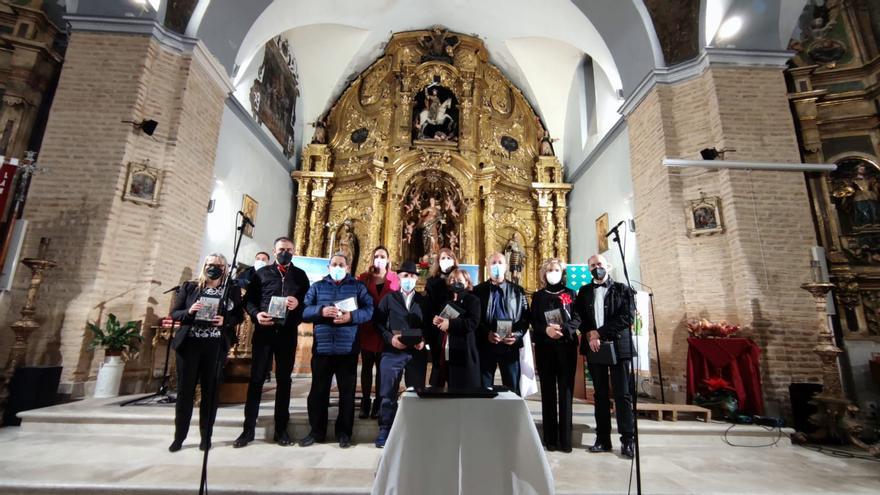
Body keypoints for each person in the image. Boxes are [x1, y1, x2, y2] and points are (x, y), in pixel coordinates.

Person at [234, 237, 310, 448]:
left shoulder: (300, 276)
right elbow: (248, 301)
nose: (285, 252)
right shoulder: (262, 274)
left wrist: (298, 305)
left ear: (294, 251)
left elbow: (308, 303)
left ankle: (281, 429)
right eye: (281, 249)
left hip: (287, 333)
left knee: (284, 380)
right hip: (264, 332)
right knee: (257, 379)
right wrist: (257, 314)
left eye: (289, 249)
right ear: (274, 251)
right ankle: (248, 429)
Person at [168, 253, 243, 452]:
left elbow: (238, 316)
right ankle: (179, 437)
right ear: (204, 266)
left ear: (225, 268)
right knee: (185, 392)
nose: (214, 268)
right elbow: (175, 313)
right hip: (189, 345)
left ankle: (206, 437)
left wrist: (225, 321)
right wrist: (190, 311)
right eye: (211, 264)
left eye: (219, 265)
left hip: (215, 346)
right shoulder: (190, 287)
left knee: (211, 393)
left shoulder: (230, 290)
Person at [301, 253, 374, 448]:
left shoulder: (358, 287)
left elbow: (369, 310)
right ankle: (316, 431)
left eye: (341, 264)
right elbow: (304, 310)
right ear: (328, 267)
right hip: (323, 348)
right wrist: (321, 311)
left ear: (348, 267)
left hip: (347, 349)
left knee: (347, 393)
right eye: (334, 264)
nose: (337, 267)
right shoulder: (317, 287)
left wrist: (351, 317)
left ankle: (344, 433)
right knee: (318, 392)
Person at [574, 254, 635, 458]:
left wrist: (599, 333)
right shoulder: (583, 291)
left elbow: (627, 317)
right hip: (594, 347)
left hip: (618, 347)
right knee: (599, 395)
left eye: (599, 264)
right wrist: (590, 333)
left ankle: (627, 440)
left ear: (606, 266)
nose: (596, 268)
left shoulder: (622, 289)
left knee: (622, 394)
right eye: (592, 265)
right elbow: (579, 317)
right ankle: (603, 439)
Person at [374, 261, 429, 448]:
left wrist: (424, 340)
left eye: (412, 276)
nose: (409, 279)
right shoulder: (389, 299)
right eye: (405, 276)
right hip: (392, 352)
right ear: (399, 277)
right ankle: (385, 429)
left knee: (416, 393)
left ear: (417, 279)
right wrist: (390, 338)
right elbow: (378, 323)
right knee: (387, 392)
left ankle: (414, 429)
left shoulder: (424, 300)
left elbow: (430, 325)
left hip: (416, 354)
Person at [530, 258, 581, 453]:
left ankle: (565, 439)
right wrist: (546, 330)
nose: (553, 272)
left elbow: (577, 318)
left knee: (566, 392)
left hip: (566, 347)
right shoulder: (538, 296)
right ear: (544, 273)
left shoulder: (570, 293)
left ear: (562, 272)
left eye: (556, 269)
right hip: (545, 348)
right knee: (548, 392)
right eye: (550, 269)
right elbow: (534, 320)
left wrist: (566, 329)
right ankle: (550, 438)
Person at [474, 252, 530, 394]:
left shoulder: (518, 291)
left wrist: (516, 335)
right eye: (493, 263)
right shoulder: (477, 291)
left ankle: (511, 416)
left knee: (512, 390)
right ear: (487, 266)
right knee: (483, 389)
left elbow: (525, 318)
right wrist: (486, 334)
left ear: (505, 266)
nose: (496, 266)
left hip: (509, 346)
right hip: (486, 346)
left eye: (500, 262)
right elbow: (474, 319)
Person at [357, 246, 400, 418]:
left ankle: (378, 402)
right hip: (367, 327)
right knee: (367, 366)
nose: (379, 259)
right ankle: (365, 401)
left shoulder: (394, 278)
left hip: (385, 330)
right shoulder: (364, 278)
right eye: (376, 256)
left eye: (382, 256)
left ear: (388, 259)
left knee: (383, 368)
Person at [431, 268, 481, 388]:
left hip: (463, 352)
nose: (455, 282)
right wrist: (436, 321)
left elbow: (473, 323)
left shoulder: (473, 300)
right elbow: (440, 325)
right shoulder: (445, 301)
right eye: (452, 279)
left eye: (459, 280)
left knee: (461, 391)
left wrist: (451, 324)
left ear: (467, 283)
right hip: (444, 351)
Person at [425, 248, 458, 386]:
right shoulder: (432, 281)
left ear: (454, 260)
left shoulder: (459, 278)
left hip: (456, 327)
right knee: (438, 363)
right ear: (438, 261)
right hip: (437, 329)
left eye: (449, 258)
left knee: (454, 365)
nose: (446, 261)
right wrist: (433, 317)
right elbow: (428, 305)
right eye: (443, 258)